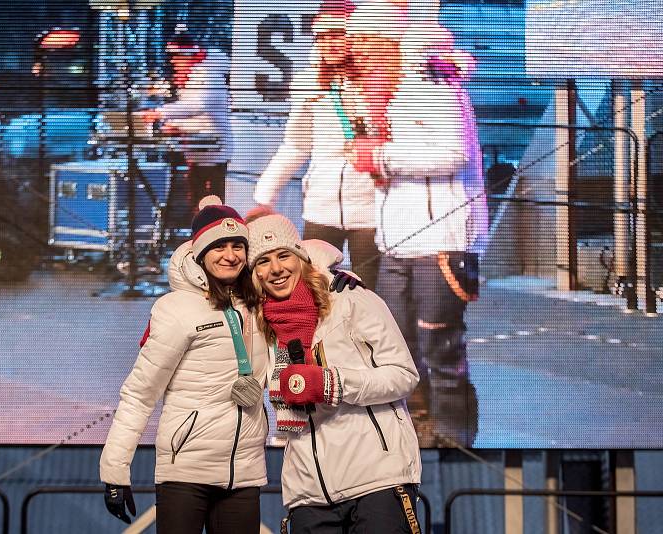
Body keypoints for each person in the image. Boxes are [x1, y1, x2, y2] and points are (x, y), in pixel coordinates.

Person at [100, 197, 360, 532]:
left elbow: (295, 252)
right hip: (186, 468)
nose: (230, 255)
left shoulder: (259, 302)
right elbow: (139, 395)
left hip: (246, 470)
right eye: (219, 246)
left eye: (238, 245)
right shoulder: (177, 308)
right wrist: (114, 471)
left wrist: (334, 273)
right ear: (200, 253)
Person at [345, 15, 487, 446]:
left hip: (440, 241)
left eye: (368, 39)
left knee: (440, 351)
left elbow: (453, 152)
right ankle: (414, 435)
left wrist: (382, 156)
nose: (359, 50)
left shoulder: (433, 86)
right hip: (398, 243)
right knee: (397, 349)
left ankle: (454, 440)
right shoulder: (380, 94)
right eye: (357, 41)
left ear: (394, 44)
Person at [246, 212, 423, 534]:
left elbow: (403, 375)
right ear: (254, 273)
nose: (276, 269)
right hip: (307, 489)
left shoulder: (351, 299)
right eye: (263, 261)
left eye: (284, 255)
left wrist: (333, 383)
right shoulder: (260, 325)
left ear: (301, 258)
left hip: (376, 477)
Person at [250, 0, 383, 290]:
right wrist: (265, 195)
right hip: (321, 207)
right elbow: (296, 144)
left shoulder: (380, 79)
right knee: (314, 293)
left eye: (338, 34)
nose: (330, 43)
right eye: (322, 36)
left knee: (369, 296)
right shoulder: (308, 80)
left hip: (372, 208)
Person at [142, 29, 231, 220]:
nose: (173, 62)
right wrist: (175, 125)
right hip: (197, 152)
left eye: (176, 57)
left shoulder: (208, 75)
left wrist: (161, 113)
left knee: (212, 207)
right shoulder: (189, 77)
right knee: (197, 206)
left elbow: (199, 105)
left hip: (213, 153)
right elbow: (193, 114)